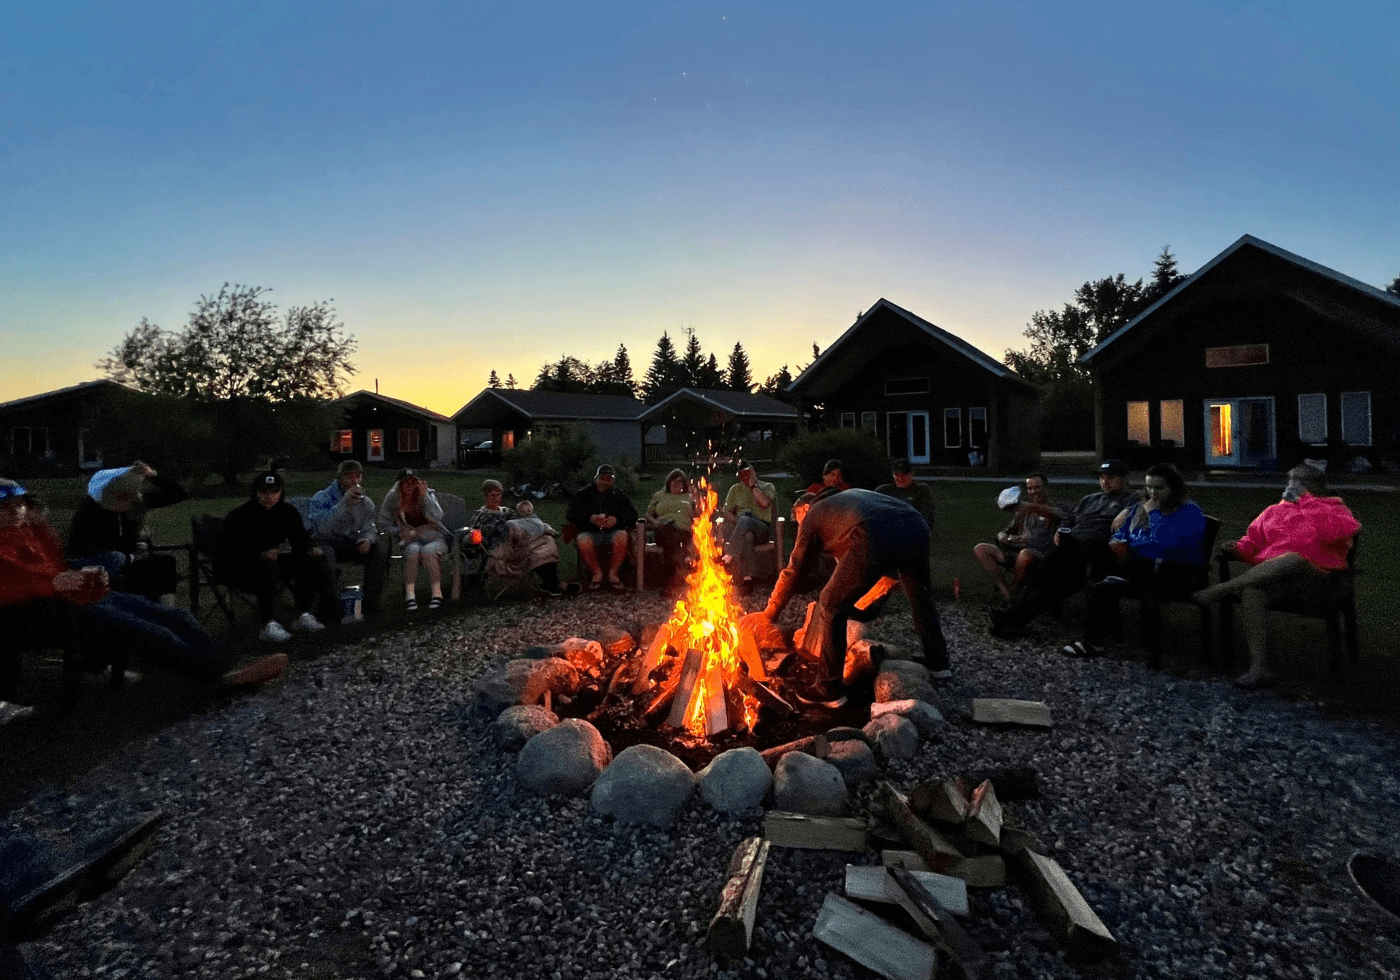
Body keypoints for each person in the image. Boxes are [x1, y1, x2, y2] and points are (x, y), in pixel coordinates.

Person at [0, 478, 287, 696]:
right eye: (6, 506)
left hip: (70, 597)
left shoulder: (24, 531)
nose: (17, 510)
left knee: (175, 616)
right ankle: (217, 675)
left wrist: (42, 530)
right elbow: (15, 585)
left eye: (21, 503)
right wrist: (55, 583)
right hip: (34, 613)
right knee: (149, 629)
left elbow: (56, 562)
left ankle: (231, 660)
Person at [749, 488, 950, 703]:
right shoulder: (846, 501)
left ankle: (828, 688)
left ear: (805, 508)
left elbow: (794, 570)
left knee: (830, 603)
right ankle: (938, 662)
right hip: (916, 525)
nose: (800, 527)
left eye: (798, 519)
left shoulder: (815, 513)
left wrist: (770, 613)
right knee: (920, 597)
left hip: (874, 531)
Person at [1193, 463, 1361, 689]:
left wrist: (1306, 502)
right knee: (1253, 592)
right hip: (1278, 580)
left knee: (1293, 558)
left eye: (1300, 482)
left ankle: (1220, 590)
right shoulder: (1274, 511)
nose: (1292, 486)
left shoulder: (1335, 510)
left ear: (1316, 487)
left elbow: (1334, 534)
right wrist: (1237, 549)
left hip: (1318, 580)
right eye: (1291, 480)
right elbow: (1252, 543)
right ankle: (1258, 668)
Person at [1060, 462, 1207, 659]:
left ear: (1173, 488)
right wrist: (1117, 542)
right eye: (1149, 487)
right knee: (1097, 557)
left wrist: (1153, 513)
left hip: (1176, 571)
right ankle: (1092, 642)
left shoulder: (1188, 511)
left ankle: (1103, 583)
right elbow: (1123, 533)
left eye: (1159, 488)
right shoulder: (1140, 508)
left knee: (1116, 570)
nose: (1153, 492)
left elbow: (1166, 543)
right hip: (1139, 567)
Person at [988, 459, 1136, 637]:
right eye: (1102, 478)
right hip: (1071, 544)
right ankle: (1012, 613)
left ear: (1124, 479)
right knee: (1040, 576)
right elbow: (1070, 517)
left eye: (1110, 477)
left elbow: (1148, 501)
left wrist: (1128, 511)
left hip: (1096, 551)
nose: (1105, 482)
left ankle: (1012, 618)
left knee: (1057, 581)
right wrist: (1061, 529)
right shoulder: (1090, 499)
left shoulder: (1132, 499)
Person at [217, 471, 331, 641]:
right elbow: (230, 548)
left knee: (312, 561)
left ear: (281, 492)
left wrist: (311, 547)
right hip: (244, 565)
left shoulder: (286, 511)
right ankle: (268, 624)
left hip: (276, 560)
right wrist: (260, 554)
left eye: (274, 492)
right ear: (256, 493)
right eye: (264, 492)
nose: (269, 497)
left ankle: (304, 614)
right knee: (267, 567)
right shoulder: (241, 515)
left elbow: (300, 537)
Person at [65, 461, 188, 603]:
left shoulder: (136, 502)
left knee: (164, 563)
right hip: (107, 566)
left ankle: (167, 610)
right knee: (155, 570)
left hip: (131, 561)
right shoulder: (91, 511)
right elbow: (88, 546)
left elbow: (178, 493)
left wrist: (152, 475)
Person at [305, 460, 387, 616]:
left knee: (376, 551)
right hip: (326, 542)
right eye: (349, 476)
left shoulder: (366, 503)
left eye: (358, 476)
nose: (354, 480)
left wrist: (366, 539)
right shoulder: (322, 498)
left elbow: (369, 526)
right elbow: (320, 529)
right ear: (340, 478)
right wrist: (343, 504)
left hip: (349, 543)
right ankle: (328, 606)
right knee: (323, 557)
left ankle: (370, 603)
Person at [973, 473, 1061, 598]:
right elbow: (1007, 531)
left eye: (1037, 487)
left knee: (1025, 554)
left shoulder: (1055, 508)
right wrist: (1002, 536)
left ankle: (1017, 592)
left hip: (1041, 557)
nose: (1033, 491)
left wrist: (1032, 507)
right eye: (1030, 488)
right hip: (1017, 553)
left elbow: (1059, 515)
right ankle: (1007, 593)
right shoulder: (1023, 512)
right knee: (981, 549)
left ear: (1046, 487)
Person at [379, 469, 448, 610]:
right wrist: (401, 531)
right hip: (411, 540)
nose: (410, 485)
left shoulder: (427, 494)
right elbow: (383, 524)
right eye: (406, 482)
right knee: (413, 551)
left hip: (434, 536)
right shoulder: (393, 498)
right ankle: (410, 595)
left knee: (428, 551)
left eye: (413, 482)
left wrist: (425, 496)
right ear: (400, 485)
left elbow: (438, 516)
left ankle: (437, 593)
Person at [565, 464, 638, 591]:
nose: (605, 481)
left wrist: (617, 519)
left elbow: (633, 514)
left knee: (622, 536)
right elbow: (571, 514)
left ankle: (613, 574)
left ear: (613, 481)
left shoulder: (619, 495)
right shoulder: (583, 495)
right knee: (583, 540)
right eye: (602, 478)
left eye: (609, 478)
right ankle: (597, 573)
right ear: (596, 478)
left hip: (613, 531)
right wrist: (590, 518)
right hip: (590, 530)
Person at [721, 463, 776, 596]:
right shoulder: (735, 489)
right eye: (741, 475)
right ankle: (748, 580)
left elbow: (765, 503)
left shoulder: (767, 486)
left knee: (745, 520)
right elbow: (726, 512)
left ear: (753, 472)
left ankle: (729, 555)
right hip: (743, 528)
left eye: (747, 473)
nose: (744, 477)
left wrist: (753, 486)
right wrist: (738, 521)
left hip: (762, 528)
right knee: (747, 536)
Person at [487, 500, 562, 596]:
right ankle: (553, 585)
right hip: (537, 552)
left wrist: (496, 555)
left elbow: (507, 545)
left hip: (532, 553)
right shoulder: (538, 522)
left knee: (540, 554)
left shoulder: (512, 524)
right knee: (543, 554)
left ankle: (552, 585)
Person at [646, 469, 696, 597]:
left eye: (680, 482)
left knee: (675, 540)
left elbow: (699, 515)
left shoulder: (689, 497)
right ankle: (674, 581)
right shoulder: (659, 496)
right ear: (668, 483)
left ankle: (669, 582)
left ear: (684, 484)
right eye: (673, 482)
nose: (676, 484)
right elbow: (648, 515)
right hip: (663, 529)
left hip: (683, 531)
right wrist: (655, 522)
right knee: (670, 537)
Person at [875, 458, 935, 525]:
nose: (900, 478)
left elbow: (928, 516)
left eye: (904, 474)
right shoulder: (883, 491)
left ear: (911, 475)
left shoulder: (921, 490)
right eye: (897, 475)